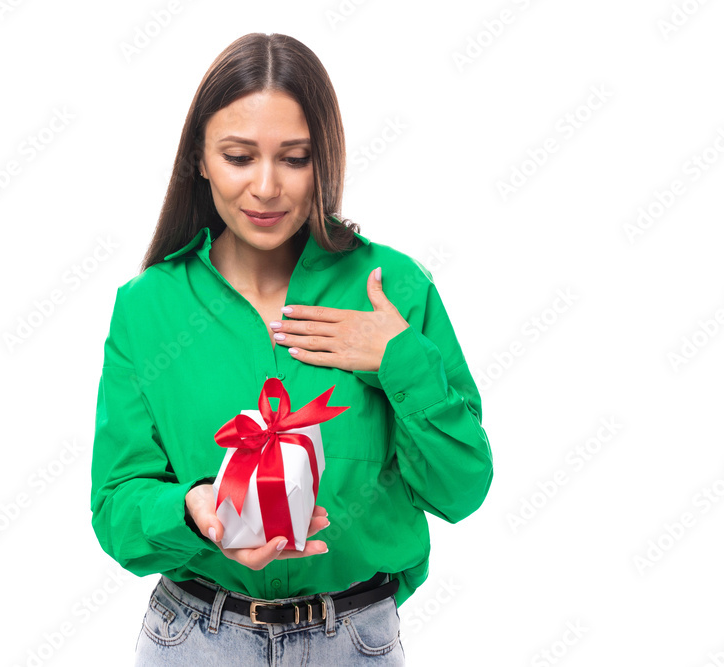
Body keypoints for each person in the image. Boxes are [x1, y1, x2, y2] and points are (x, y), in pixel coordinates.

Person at [89, 32, 494, 665]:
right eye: (239, 156)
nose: (267, 187)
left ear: (324, 159)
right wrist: (192, 512)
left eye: (295, 158)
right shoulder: (148, 307)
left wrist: (398, 358)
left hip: (353, 640)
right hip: (194, 640)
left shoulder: (392, 289)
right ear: (199, 158)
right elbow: (115, 507)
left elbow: (460, 489)